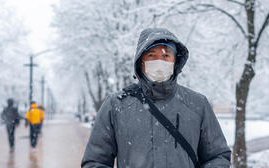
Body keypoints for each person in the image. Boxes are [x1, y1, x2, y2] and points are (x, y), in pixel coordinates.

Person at [81, 28, 231, 168]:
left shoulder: (197, 104)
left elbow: (218, 155)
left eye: (166, 56)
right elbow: (95, 161)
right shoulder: (116, 105)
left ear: (175, 61)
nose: (160, 62)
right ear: (141, 61)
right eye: (152, 55)